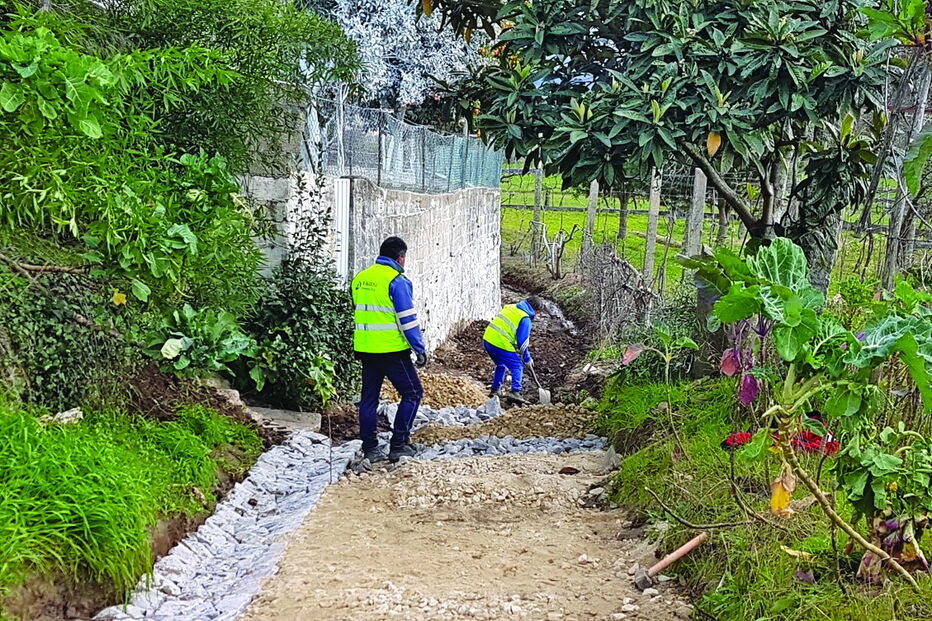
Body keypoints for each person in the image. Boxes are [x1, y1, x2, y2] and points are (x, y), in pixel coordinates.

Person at [351, 236, 427, 463]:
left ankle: (370, 448)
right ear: (400, 257)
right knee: (413, 392)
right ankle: (399, 444)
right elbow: (407, 320)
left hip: (365, 348)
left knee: (369, 399)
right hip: (392, 350)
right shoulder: (397, 281)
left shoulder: (360, 278)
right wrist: (419, 348)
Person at [482, 297, 542, 404]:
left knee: (501, 364)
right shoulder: (525, 318)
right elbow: (522, 343)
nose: (538, 315)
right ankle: (515, 392)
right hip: (499, 342)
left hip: (488, 339)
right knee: (517, 366)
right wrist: (527, 358)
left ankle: (495, 390)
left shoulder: (512, 307)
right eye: (538, 313)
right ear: (535, 310)